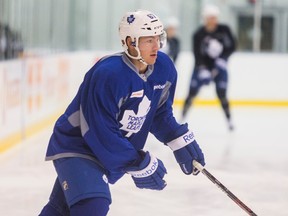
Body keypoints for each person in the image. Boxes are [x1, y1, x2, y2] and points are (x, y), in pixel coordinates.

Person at [39, 9, 205, 216]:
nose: (157, 46)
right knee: (93, 204)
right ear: (130, 42)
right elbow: (100, 129)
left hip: (107, 150)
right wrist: (136, 162)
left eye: (158, 38)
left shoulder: (164, 67)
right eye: (148, 40)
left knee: (60, 210)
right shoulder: (109, 74)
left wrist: (179, 139)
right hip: (79, 145)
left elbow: (159, 113)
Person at [182, 5, 236, 130]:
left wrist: (224, 59)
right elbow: (197, 53)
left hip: (220, 66)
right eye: (210, 18)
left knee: (222, 93)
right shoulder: (198, 34)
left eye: (215, 18)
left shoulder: (224, 30)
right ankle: (181, 118)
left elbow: (232, 46)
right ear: (205, 18)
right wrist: (202, 68)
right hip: (202, 67)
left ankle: (229, 121)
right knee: (192, 92)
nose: (213, 20)